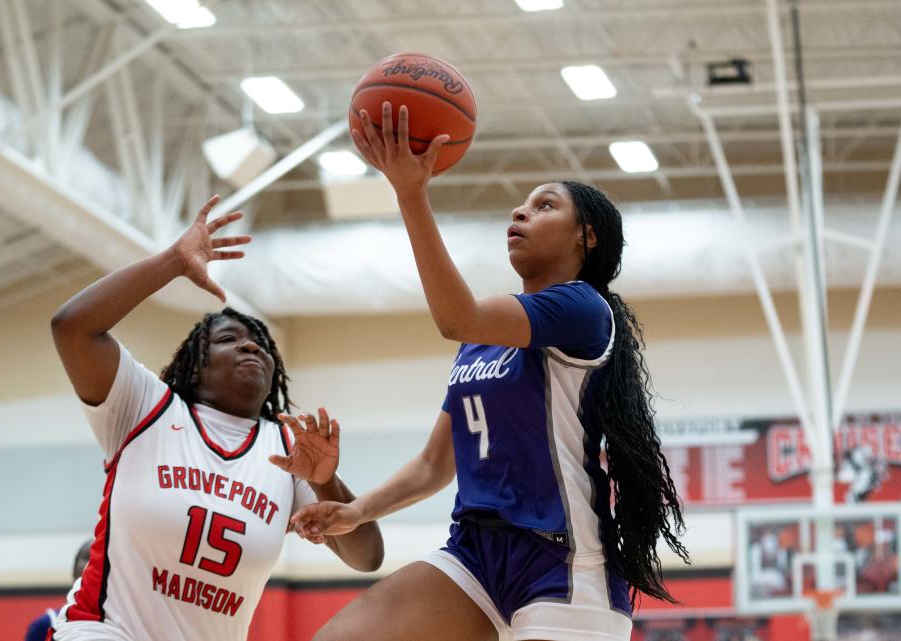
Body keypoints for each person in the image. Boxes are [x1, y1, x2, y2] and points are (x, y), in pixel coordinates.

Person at [291, 103, 690, 641]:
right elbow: (435, 464)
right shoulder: (484, 338)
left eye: (543, 206)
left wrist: (411, 193)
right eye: (519, 207)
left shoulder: (583, 308)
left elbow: (454, 317)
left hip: (564, 563)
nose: (518, 214)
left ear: (586, 237)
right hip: (476, 554)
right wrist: (356, 510)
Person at [47, 196, 383, 641]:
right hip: (103, 631)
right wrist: (172, 262)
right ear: (196, 365)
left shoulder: (285, 449)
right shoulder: (145, 405)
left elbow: (368, 558)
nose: (252, 347)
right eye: (230, 339)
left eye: (262, 345)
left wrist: (326, 483)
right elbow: (72, 327)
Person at [24, 541, 92, 641]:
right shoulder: (45, 625)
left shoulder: (120, 623)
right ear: (74, 571)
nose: (92, 565)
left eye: (100, 559)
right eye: (88, 557)